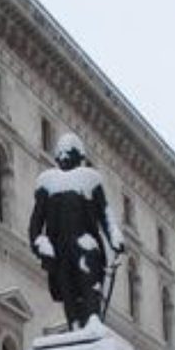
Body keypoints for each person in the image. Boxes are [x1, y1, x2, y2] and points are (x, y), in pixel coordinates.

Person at [28, 132, 124, 330]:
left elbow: (105, 213)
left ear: (78, 156)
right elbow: (36, 221)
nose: (64, 158)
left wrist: (115, 237)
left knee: (89, 287)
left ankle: (92, 324)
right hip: (60, 250)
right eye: (61, 154)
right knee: (68, 292)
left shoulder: (90, 179)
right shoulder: (47, 183)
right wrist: (39, 243)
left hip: (85, 245)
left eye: (68, 153)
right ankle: (76, 327)